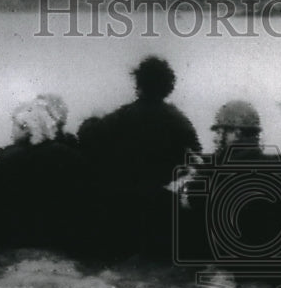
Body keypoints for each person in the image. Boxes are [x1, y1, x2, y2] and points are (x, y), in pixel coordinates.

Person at [76, 56, 201, 262]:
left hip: (123, 206)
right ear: (168, 86)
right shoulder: (179, 120)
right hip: (163, 208)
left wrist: (91, 119)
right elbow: (195, 158)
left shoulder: (123, 116)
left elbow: (88, 137)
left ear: (138, 84)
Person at [0, 97, 90, 254]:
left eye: (15, 125)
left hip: (21, 239)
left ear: (26, 127)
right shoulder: (69, 154)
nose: (12, 131)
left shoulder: (9, 156)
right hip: (64, 237)